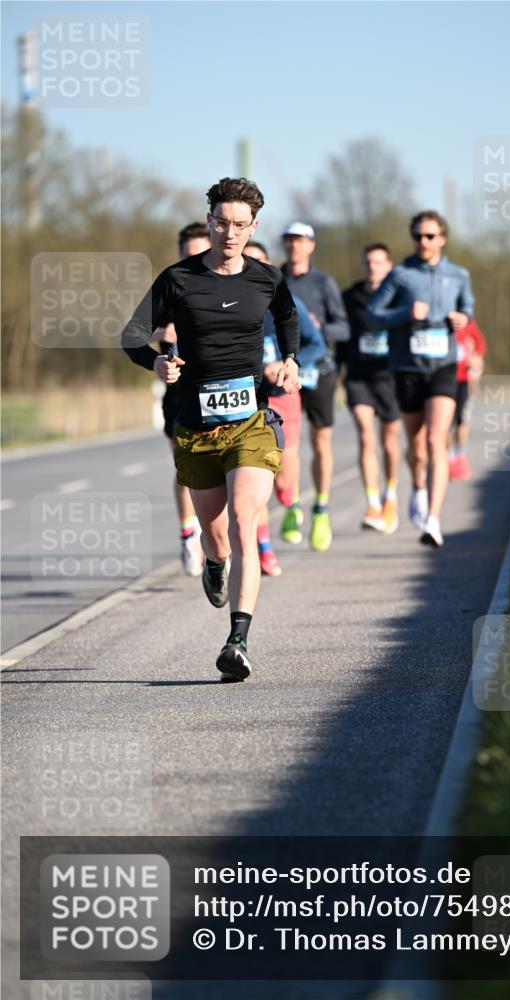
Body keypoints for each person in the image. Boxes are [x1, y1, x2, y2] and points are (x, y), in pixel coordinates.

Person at [123, 177, 300, 681]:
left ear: (253, 227)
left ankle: (237, 641)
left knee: (245, 521)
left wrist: (291, 360)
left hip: (251, 422)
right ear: (209, 222)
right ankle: (214, 563)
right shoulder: (177, 279)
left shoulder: (267, 279)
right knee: (216, 536)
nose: (230, 233)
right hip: (197, 427)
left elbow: (288, 318)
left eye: (240, 225)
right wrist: (156, 363)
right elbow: (132, 335)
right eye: (222, 223)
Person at [368, 211, 474, 548]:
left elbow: (468, 310)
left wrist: (462, 318)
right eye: (417, 236)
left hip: (443, 366)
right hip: (407, 368)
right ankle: (418, 488)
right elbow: (373, 314)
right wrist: (403, 314)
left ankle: (434, 520)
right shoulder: (400, 275)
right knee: (416, 445)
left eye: (429, 236)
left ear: (442, 238)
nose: (423, 242)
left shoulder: (458, 275)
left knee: (435, 440)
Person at [244, 240, 327, 576]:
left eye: (258, 263)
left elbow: (317, 345)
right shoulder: (224, 303)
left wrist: (286, 364)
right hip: (245, 399)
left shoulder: (285, 301)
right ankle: (264, 548)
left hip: (281, 394)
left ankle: (290, 500)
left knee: (283, 470)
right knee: (255, 473)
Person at [281, 222, 350, 552]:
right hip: (284, 373)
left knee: (321, 442)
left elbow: (344, 329)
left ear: (311, 245)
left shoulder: (324, 283)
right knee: (285, 445)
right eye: (289, 240)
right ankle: (292, 504)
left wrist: (320, 329)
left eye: (300, 240)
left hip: (319, 371)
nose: (294, 246)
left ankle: (321, 508)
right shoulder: (273, 279)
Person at [155, 222, 211, 576]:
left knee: (217, 468)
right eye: (189, 254)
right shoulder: (169, 288)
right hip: (178, 394)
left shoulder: (222, 286)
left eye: (201, 253)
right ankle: (188, 534)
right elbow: (134, 330)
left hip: (215, 391)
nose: (195, 260)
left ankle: (213, 533)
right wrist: (166, 331)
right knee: (185, 468)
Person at [341, 243, 401, 533]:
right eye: (368, 262)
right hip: (359, 376)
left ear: (389, 266)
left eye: (378, 262)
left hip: (390, 377)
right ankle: (372, 504)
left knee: (389, 442)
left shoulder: (399, 296)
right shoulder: (350, 297)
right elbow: (341, 335)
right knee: (366, 438)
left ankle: (391, 496)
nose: (372, 267)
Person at [449, 319, 487, 481]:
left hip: (463, 379)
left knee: (461, 420)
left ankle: (460, 457)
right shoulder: (439, 319)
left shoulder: (467, 322)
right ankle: (449, 459)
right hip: (443, 378)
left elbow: (480, 345)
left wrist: (477, 357)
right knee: (446, 423)